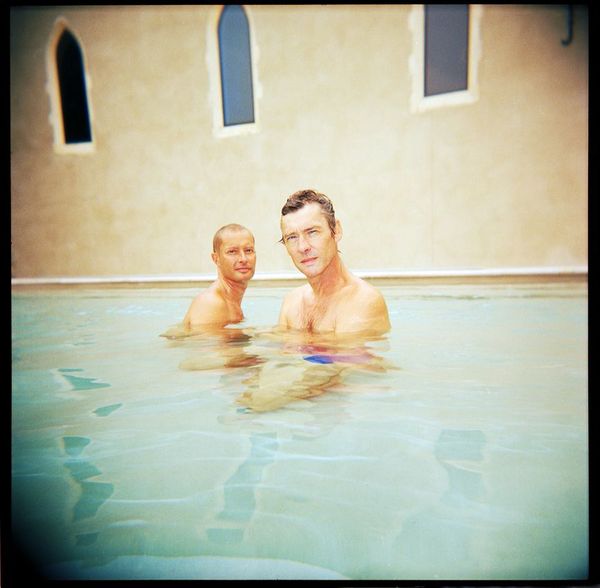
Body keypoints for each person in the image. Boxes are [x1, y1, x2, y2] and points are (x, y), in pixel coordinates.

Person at [277, 189, 391, 335]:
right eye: (292, 237)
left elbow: (342, 357)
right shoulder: (291, 302)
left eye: (312, 232)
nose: (303, 247)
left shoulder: (364, 301)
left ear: (336, 231)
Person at [183, 223, 256, 329]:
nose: (243, 259)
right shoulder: (211, 303)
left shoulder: (229, 302)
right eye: (232, 252)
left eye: (248, 250)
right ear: (216, 259)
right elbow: (204, 344)